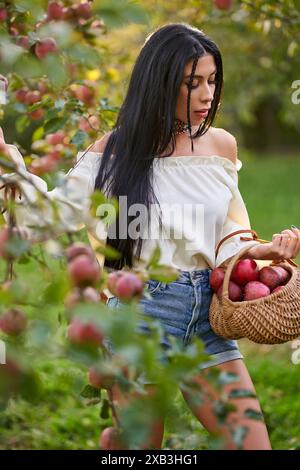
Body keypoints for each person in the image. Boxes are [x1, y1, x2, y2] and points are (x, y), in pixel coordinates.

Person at [0, 23, 300, 450]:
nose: (206, 95)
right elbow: (54, 213)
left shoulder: (220, 147)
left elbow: (227, 232)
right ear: (160, 83)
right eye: (191, 83)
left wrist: (262, 250)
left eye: (212, 81)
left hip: (207, 316)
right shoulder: (114, 152)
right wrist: (11, 167)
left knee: (251, 445)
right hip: (141, 312)